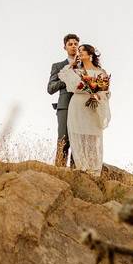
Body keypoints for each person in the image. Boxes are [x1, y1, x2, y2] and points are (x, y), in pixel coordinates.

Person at [57, 43, 112, 175]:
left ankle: (94, 170)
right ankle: (81, 168)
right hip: (77, 106)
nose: (79, 52)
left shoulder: (101, 72)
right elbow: (63, 74)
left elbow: (106, 92)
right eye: (78, 51)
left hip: (93, 107)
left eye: (81, 50)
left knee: (93, 136)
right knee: (78, 135)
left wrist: (97, 96)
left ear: (90, 54)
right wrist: (72, 65)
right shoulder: (76, 71)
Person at [47, 34, 79, 167]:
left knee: (78, 140)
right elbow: (50, 88)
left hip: (81, 107)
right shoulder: (58, 66)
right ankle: (59, 171)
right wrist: (66, 77)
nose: (73, 46)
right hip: (64, 106)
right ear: (64, 47)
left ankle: (75, 173)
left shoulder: (85, 65)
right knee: (63, 139)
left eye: (76, 44)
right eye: (70, 44)